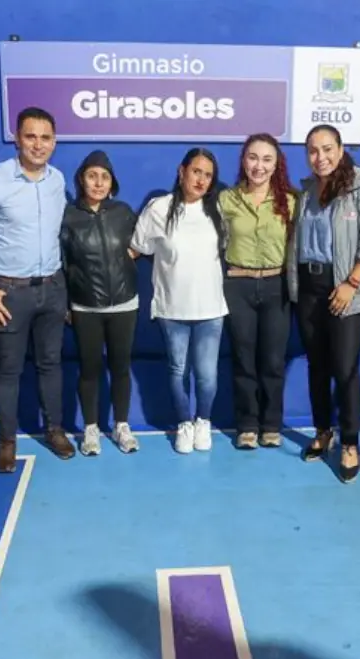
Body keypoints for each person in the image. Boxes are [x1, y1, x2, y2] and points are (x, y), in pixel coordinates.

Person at [0, 106, 76, 473]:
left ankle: (54, 430)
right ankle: (6, 441)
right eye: (31, 136)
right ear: (16, 138)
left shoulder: (58, 180)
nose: (38, 145)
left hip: (53, 288)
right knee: (8, 372)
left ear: (54, 142)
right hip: (9, 293)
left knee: (51, 365)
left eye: (45, 138)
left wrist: (66, 292)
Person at [288, 124, 360, 482]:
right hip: (309, 287)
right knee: (316, 365)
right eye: (313, 151)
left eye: (327, 149)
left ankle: (349, 443)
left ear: (341, 148)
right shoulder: (305, 193)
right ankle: (323, 432)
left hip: (345, 287)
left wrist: (352, 281)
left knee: (345, 369)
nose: (321, 157)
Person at [131, 148, 229, 454]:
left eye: (208, 175)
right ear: (181, 171)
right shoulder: (158, 208)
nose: (201, 179)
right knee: (177, 371)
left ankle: (204, 421)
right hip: (171, 309)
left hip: (211, 309)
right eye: (196, 171)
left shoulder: (219, 210)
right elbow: (135, 249)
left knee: (207, 376)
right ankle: (184, 423)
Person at [217, 133, 297, 450]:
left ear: (276, 164)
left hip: (277, 286)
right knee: (243, 359)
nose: (259, 166)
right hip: (238, 286)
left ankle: (271, 425)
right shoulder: (226, 200)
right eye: (253, 157)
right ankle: (248, 425)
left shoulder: (292, 201)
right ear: (243, 160)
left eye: (266, 159)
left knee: (274, 361)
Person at [59, 150, 141, 455]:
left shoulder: (123, 212)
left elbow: (141, 245)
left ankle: (121, 426)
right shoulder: (68, 216)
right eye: (92, 176)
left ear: (112, 182)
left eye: (104, 177)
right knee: (89, 369)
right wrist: (66, 304)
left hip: (124, 304)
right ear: (81, 179)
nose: (98, 182)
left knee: (121, 368)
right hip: (85, 307)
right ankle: (90, 429)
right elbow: (61, 262)